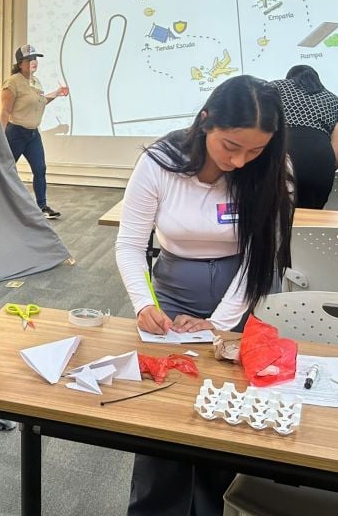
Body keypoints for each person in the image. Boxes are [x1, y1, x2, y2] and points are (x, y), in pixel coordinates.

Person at [115, 75, 293, 516]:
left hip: (243, 297)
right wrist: (145, 305)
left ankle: (220, 507)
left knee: (228, 415)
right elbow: (130, 244)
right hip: (174, 295)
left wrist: (219, 322)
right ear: (205, 121)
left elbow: (262, 256)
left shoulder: (272, 169)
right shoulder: (161, 162)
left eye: (254, 151)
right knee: (165, 415)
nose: (240, 160)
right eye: (231, 146)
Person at [0, 44, 68, 219]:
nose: (34, 62)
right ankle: (0, 204)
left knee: (40, 169)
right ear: (20, 63)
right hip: (15, 133)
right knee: (6, 170)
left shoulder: (35, 81)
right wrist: (0, 134)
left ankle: (42, 206)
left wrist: (57, 93)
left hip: (32, 134)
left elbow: (40, 102)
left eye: (35, 59)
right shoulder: (12, 82)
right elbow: (5, 111)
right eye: (30, 59)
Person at [270, 65, 338, 209]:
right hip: (321, 163)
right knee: (311, 214)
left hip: (283, 154)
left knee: (277, 213)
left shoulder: (274, 88)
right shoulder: (334, 100)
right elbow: (336, 155)